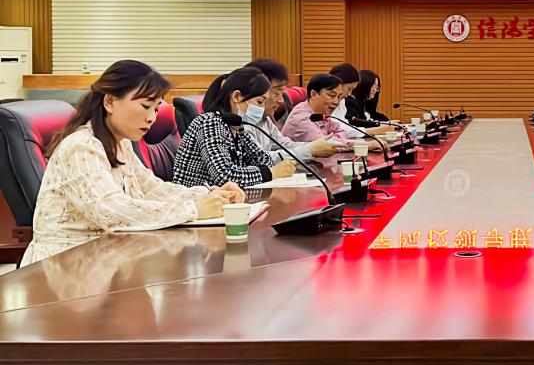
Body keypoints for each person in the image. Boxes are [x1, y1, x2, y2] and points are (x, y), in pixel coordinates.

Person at [23, 60, 243, 265]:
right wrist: (193, 209)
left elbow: (152, 189)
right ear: (110, 102)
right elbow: (113, 213)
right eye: (145, 106)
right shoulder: (81, 147)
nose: (152, 118)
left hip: (108, 259)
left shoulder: (121, 144)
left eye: (155, 108)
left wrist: (210, 195)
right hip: (64, 267)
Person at [173, 67, 295, 187]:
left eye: (264, 103)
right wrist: (270, 173)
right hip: (195, 197)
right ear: (236, 96)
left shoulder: (236, 127)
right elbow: (225, 176)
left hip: (226, 195)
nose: (262, 109)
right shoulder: (209, 123)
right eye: (259, 102)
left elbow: (264, 160)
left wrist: (262, 170)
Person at [243, 59, 338, 162]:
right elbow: (261, 159)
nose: (281, 100)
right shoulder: (242, 122)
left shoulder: (265, 118)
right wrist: (310, 150)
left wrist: (314, 146)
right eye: (276, 93)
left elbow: (284, 144)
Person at [281, 74, 354, 151]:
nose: (336, 102)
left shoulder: (321, 113)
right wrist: (359, 145)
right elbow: (326, 146)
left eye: (339, 97)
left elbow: (341, 131)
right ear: (314, 94)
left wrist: (336, 140)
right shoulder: (301, 118)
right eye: (332, 95)